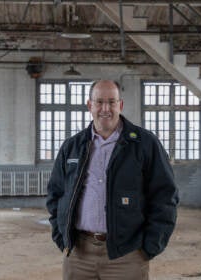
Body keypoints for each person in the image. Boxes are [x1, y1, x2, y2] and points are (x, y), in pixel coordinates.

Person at [46, 80, 179, 280]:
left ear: (121, 105)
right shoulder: (72, 146)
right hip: (79, 255)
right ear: (89, 105)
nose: (105, 109)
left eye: (111, 102)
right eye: (99, 102)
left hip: (127, 255)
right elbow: (55, 194)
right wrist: (61, 237)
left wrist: (150, 247)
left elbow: (165, 196)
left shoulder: (144, 144)